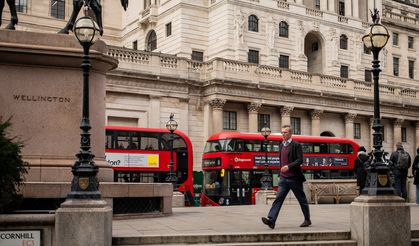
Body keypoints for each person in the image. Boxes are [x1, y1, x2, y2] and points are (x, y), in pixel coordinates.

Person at [261, 125, 311, 229]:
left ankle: (307, 219)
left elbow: (300, 160)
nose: (283, 134)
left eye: (285, 132)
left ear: (290, 134)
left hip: (294, 178)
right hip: (284, 179)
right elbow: (281, 161)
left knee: (301, 200)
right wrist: (280, 174)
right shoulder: (281, 145)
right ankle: (271, 220)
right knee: (278, 199)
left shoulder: (296, 145)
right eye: (282, 132)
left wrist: (288, 166)